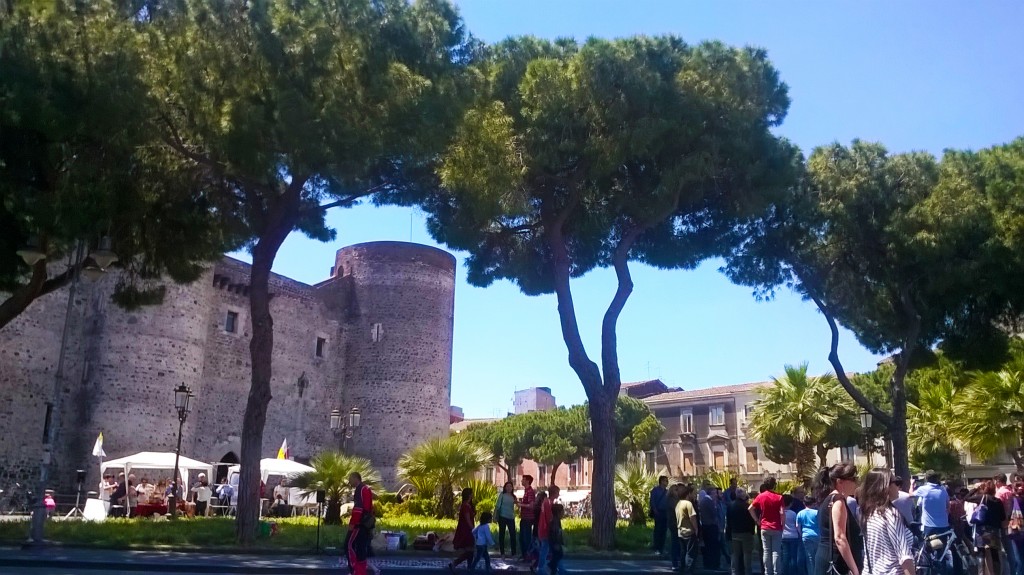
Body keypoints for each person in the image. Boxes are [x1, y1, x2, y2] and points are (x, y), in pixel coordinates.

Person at [859, 469, 915, 575]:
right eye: (896, 483)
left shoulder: (868, 513)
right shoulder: (891, 515)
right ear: (885, 487)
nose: (898, 487)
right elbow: (904, 556)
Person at [815, 463, 863, 575]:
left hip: (827, 557)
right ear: (839, 481)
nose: (856, 482)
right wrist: (855, 570)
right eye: (853, 479)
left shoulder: (828, 500)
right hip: (836, 561)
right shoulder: (838, 501)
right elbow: (840, 538)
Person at [913, 471, 952, 575]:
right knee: (942, 553)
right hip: (943, 526)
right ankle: (942, 572)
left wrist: (912, 484)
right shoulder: (943, 490)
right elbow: (948, 506)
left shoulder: (924, 489)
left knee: (927, 552)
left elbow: (910, 495)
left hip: (929, 527)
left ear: (926, 478)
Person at [969, 480, 1007, 575]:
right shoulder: (998, 501)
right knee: (994, 554)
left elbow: (966, 497)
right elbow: (1003, 518)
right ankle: (997, 573)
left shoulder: (981, 497)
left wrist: (975, 488)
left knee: (981, 553)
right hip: (994, 530)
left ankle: (981, 573)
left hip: (982, 530)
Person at [750, 477, 786, 575]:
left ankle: (767, 572)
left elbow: (750, 508)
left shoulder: (761, 496)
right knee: (776, 551)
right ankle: (776, 572)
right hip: (776, 527)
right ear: (774, 485)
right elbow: (782, 513)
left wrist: (757, 521)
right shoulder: (779, 497)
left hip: (764, 526)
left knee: (766, 551)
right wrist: (783, 525)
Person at [347, 472, 375, 575]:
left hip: (359, 524)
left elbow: (359, 509)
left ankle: (355, 571)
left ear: (355, 478)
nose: (349, 481)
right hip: (365, 523)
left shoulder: (360, 489)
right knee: (361, 548)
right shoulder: (366, 488)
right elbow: (368, 507)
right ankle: (360, 572)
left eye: (350, 478)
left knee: (349, 545)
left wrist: (352, 523)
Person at [727, 488, 757, 575]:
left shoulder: (730, 505)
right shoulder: (747, 506)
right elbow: (751, 521)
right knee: (747, 555)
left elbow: (728, 521)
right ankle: (748, 572)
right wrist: (751, 531)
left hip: (734, 533)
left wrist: (728, 533)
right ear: (744, 495)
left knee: (735, 555)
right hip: (746, 533)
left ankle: (734, 572)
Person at [449, 487, 476, 572]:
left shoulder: (466, 505)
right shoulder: (466, 506)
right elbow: (468, 519)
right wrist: (473, 529)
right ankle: (455, 563)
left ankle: (469, 567)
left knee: (470, 550)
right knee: (470, 550)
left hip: (466, 529)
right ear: (469, 495)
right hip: (466, 530)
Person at [536, 486, 560, 575]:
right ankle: (541, 568)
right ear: (554, 493)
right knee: (545, 549)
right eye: (558, 492)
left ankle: (546, 567)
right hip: (545, 529)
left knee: (545, 549)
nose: (558, 494)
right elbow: (549, 518)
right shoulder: (548, 503)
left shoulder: (547, 502)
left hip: (543, 529)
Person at [677, 484, 700, 575]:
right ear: (688, 494)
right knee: (690, 553)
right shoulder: (688, 504)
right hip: (689, 532)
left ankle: (681, 569)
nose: (694, 495)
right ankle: (689, 571)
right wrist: (696, 529)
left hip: (681, 531)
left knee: (683, 552)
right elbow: (692, 518)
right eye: (693, 493)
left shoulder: (678, 504)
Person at [700, 485, 723, 570]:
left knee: (708, 546)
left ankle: (708, 564)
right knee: (713, 546)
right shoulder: (709, 502)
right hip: (711, 526)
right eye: (715, 493)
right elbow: (714, 514)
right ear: (711, 493)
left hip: (706, 526)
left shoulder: (703, 501)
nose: (716, 495)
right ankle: (714, 564)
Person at [796, 496, 820, 575]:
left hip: (806, 535)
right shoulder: (817, 512)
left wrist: (801, 534)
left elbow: (797, 526)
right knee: (818, 556)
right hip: (817, 535)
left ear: (804, 503)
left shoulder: (800, 513)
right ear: (814, 503)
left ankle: (811, 573)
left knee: (809, 557)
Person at [494, 481, 518, 558]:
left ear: (512, 488)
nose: (509, 488)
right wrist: (494, 516)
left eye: (510, 486)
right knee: (502, 535)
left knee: (513, 535)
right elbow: (497, 506)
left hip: (511, 517)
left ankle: (513, 553)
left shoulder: (513, 496)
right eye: (507, 486)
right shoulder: (502, 495)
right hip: (502, 517)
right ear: (505, 487)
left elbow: (517, 505)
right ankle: (502, 553)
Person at [518, 475, 537, 562]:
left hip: (527, 519)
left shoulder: (530, 492)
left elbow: (531, 505)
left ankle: (528, 557)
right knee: (522, 538)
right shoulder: (526, 491)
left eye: (523, 479)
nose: (521, 480)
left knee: (526, 538)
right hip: (524, 517)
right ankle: (525, 555)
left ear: (527, 481)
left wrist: (520, 505)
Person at [782, 494, 802, 575]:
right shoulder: (793, 513)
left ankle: (785, 572)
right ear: (790, 503)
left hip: (783, 536)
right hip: (793, 536)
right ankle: (793, 572)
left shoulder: (781, 513)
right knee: (793, 556)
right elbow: (796, 524)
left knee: (785, 556)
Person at [667, 484, 685, 571]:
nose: (677, 491)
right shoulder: (671, 500)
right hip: (674, 524)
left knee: (678, 544)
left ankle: (678, 561)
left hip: (678, 524)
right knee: (675, 543)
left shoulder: (678, 500)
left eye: (677, 489)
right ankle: (675, 563)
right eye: (675, 490)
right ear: (671, 491)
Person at [652, 476, 670, 556]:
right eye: (665, 481)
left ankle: (662, 548)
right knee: (658, 531)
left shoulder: (667, 491)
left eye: (667, 481)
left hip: (665, 513)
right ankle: (656, 548)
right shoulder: (655, 490)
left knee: (664, 531)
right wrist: (655, 510)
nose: (667, 482)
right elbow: (652, 501)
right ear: (661, 481)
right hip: (658, 512)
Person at [548, 503, 567, 575]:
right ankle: (551, 566)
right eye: (562, 511)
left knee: (557, 556)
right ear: (558, 513)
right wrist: (556, 543)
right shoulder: (555, 521)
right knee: (557, 556)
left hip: (555, 542)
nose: (563, 513)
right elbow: (555, 533)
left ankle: (552, 567)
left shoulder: (556, 520)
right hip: (555, 543)